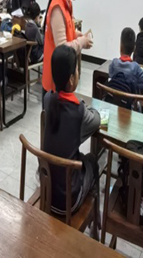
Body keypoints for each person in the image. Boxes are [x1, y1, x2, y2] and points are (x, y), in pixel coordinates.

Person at [43, 45, 100, 214]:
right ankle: (91, 214)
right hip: (67, 202)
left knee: (77, 156)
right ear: (71, 79)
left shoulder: (48, 99)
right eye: (77, 69)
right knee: (92, 161)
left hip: (47, 192)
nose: (78, 72)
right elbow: (96, 120)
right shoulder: (79, 112)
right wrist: (85, 106)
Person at [42, 0, 93, 95]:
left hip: (63, 75)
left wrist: (76, 34)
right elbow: (62, 49)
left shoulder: (67, 3)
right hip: (55, 80)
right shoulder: (57, 8)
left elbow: (65, 31)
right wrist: (81, 43)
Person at [109, 27, 143, 93]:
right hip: (128, 99)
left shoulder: (114, 63)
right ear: (134, 48)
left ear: (120, 46)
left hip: (112, 98)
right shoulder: (135, 67)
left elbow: (111, 75)